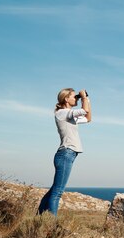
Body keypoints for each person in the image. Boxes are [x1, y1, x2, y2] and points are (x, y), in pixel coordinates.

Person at [38, 88, 91, 216]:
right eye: (74, 96)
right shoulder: (62, 113)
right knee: (58, 192)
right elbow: (85, 110)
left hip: (68, 154)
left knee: (54, 191)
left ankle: (40, 216)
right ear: (66, 99)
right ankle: (51, 224)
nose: (76, 99)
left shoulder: (69, 116)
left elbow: (88, 118)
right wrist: (83, 98)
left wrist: (87, 99)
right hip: (65, 154)